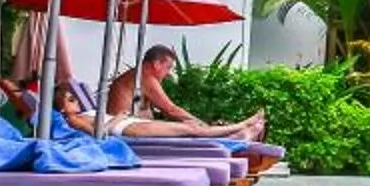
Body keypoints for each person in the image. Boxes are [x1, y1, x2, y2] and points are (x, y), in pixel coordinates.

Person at [103, 45, 269, 142]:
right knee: (190, 128)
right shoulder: (145, 77)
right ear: (155, 64)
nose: (168, 73)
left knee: (189, 128)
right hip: (128, 132)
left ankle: (231, 134)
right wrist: (200, 123)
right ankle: (236, 131)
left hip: (136, 128)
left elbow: (164, 110)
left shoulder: (140, 76)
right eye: (168, 68)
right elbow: (171, 109)